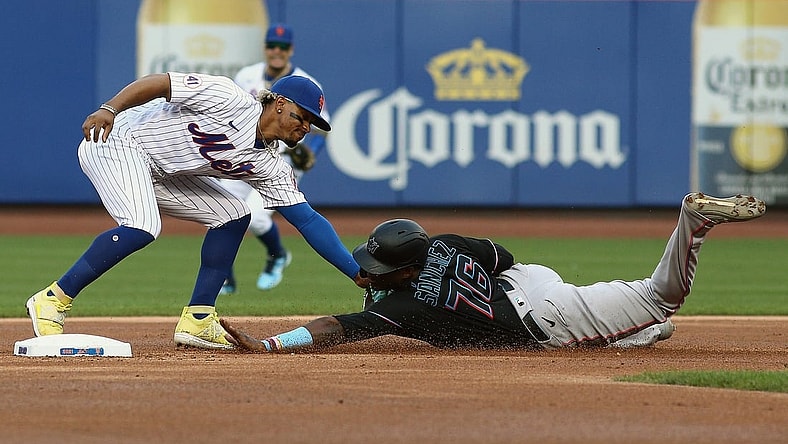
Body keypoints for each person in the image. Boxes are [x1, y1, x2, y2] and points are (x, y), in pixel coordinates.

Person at [25, 71, 368, 350]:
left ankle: (199, 320)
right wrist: (110, 109)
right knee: (142, 224)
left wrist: (356, 272)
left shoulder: (270, 165)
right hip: (118, 141)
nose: (306, 127)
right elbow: (160, 83)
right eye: (304, 117)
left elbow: (306, 219)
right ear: (279, 104)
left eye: (312, 123)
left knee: (233, 213)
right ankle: (52, 299)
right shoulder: (228, 98)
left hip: (162, 172)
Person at [220, 193, 766, 352]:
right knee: (635, 331)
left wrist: (271, 345)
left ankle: (690, 222)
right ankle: (639, 334)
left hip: (546, 319)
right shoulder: (443, 243)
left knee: (657, 301)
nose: (370, 275)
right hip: (531, 280)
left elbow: (334, 327)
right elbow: (500, 256)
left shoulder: (405, 307)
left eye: (380, 269)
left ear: (407, 269)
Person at [218, 23, 329, 294]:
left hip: (280, 161)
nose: (276, 51)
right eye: (271, 46)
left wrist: (310, 151)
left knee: (256, 217)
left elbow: (321, 129)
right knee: (220, 210)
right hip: (245, 153)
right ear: (265, 48)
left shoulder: (305, 82)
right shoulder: (247, 75)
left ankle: (277, 255)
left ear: (290, 50)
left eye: (282, 47)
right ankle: (224, 275)